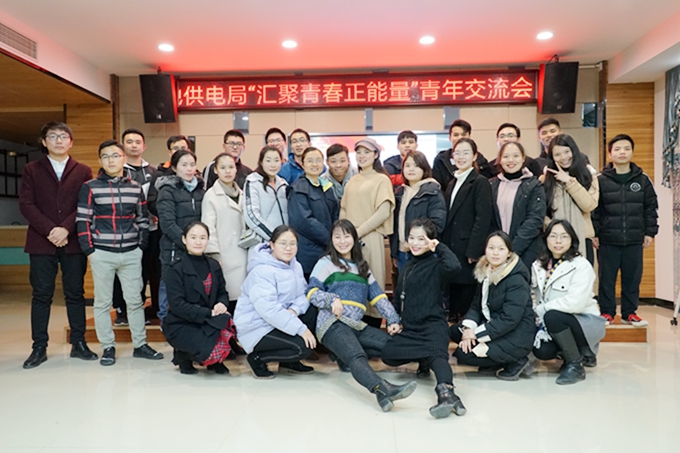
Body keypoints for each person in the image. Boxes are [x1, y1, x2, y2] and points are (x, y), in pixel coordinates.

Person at [307, 219, 417, 412]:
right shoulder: (325, 263)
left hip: (357, 326)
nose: (342, 241)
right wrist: (331, 299)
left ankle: (341, 356)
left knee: (393, 347)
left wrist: (392, 319)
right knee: (356, 356)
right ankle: (382, 389)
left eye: (346, 236)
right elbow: (311, 292)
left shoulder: (362, 267)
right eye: (337, 237)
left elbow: (378, 297)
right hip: (332, 323)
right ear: (331, 240)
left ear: (354, 239)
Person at [77, 140, 163, 365]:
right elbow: (83, 220)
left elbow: (142, 219)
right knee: (103, 303)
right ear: (100, 160)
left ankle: (140, 345)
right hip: (102, 253)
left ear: (123, 159)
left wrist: (141, 245)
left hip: (131, 252)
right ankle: (108, 347)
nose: (111, 160)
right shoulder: (90, 187)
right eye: (106, 156)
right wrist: (90, 250)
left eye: (115, 155)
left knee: (135, 301)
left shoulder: (134, 187)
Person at [19, 121, 97, 368]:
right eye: (53, 136)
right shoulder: (32, 169)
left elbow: (85, 204)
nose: (59, 141)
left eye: (63, 136)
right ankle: (39, 347)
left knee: (75, 293)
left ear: (71, 142)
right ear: (44, 142)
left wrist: (66, 228)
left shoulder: (83, 170)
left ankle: (79, 343)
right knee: (41, 294)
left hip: (72, 241)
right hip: (41, 242)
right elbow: (26, 204)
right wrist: (50, 230)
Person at [382, 219, 466, 418]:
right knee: (388, 354)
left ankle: (447, 394)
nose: (415, 243)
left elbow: (454, 266)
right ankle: (424, 358)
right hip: (411, 330)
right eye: (412, 238)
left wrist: (439, 246)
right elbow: (398, 297)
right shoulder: (407, 267)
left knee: (438, 357)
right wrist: (394, 321)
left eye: (421, 239)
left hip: (432, 326)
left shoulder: (437, 265)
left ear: (431, 241)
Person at [449, 231, 535, 381]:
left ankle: (517, 360)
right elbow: (476, 306)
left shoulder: (516, 280)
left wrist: (475, 334)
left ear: (509, 253)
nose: (495, 253)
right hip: (494, 327)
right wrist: (468, 329)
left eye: (501, 249)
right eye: (491, 248)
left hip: (515, 336)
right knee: (455, 332)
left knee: (463, 355)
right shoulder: (486, 271)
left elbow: (509, 319)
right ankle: (495, 360)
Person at [592, 134, 658, 327]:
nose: (622, 152)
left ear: (632, 152)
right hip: (607, 240)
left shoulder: (643, 180)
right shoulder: (600, 180)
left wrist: (650, 232)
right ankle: (607, 312)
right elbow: (594, 209)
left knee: (632, 279)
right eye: (618, 149)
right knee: (606, 279)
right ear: (610, 153)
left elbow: (650, 207)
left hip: (634, 239)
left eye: (626, 148)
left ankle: (630, 313)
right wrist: (594, 233)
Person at [234, 225, 317, 379]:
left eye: (292, 244)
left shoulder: (295, 266)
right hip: (257, 327)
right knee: (303, 348)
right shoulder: (261, 271)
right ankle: (257, 359)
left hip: (280, 320)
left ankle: (288, 363)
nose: (288, 248)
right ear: (272, 245)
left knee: (312, 312)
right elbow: (270, 311)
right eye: (283, 243)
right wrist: (301, 329)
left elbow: (303, 295)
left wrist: (294, 310)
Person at [532, 220, 606, 385]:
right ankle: (572, 354)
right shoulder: (538, 265)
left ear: (572, 240)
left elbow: (575, 304)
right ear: (546, 239)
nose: (558, 241)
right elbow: (533, 295)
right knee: (542, 351)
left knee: (553, 316)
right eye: (553, 236)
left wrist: (541, 309)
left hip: (584, 322)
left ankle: (575, 365)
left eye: (564, 237)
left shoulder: (581, 265)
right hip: (552, 322)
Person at [164, 221, 237, 375]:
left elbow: (223, 293)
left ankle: (215, 361)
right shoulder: (175, 268)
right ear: (184, 239)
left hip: (208, 321)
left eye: (203, 238)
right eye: (193, 237)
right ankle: (183, 355)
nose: (198, 242)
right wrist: (209, 313)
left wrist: (221, 304)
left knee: (227, 320)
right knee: (208, 346)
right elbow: (177, 305)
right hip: (182, 323)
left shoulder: (214, 265)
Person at [340, 137, 395, 328]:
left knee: (372, 282)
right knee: (351, 283)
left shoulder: (381, 179)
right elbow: (344, 209)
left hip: (370, 238)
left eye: (367, 152)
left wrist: (358, 231)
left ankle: (373, 332)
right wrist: (344, 234)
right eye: (359, 152)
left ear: (376, 155)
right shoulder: (352, 181)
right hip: (349, 241)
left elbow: (383, 212)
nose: (362, 156)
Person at [112, 128, 160, 326]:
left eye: (137, 142)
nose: (133, 145)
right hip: (125, 232)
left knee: (146, 271)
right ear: (123, 145)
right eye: (129, 142)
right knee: (124, 272)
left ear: (144, 146)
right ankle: (121, 310)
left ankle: (140, 309)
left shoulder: (153, 171)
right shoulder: (116, 169)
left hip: (150, 230)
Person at [442, 138, 493, 322]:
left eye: (466, 153)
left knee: (466, 296)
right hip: (452, 246)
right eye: (457, 153)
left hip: (467, 249)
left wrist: (474, 250)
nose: (461, 157)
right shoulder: (452, 182)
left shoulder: (480, 182)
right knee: (454, 293)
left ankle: (465, 331)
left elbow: (483, 219)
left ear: (474, 156)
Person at [156, 150, 205, 323]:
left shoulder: (201, 190)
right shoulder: (167, 190)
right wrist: (188, 243)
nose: (189, 169)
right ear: (175, 168)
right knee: (169, 287)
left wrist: (198, 243)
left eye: (192, 164)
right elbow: (167, 224)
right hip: (173, 249)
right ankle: (165, 322)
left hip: (196, 249)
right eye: (184, 165)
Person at [201, 153, 248, 315]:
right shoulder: (211, 196)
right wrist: (215, 255)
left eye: (231, 167)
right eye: (222, 167)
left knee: (244, 300)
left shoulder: (242, 193)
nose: (227, 171)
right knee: (228, 299)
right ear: (215, 170)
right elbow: (209, 228)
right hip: (224, 256)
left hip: (243, 253)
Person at [540, 134, 599, 259]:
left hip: (583, 238)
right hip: (556, 242)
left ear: (574, 151)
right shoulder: (545, 180)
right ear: (552, 157)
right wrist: (553, 229)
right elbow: (541, 211)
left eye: (567, 152)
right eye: (557, 154)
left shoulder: (588, 175)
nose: (563, 157)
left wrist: (569, 181)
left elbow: (589, 205)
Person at [489, 142, 546, 268]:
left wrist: (512, 250)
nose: (511, 160)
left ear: (523, 158)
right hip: (496, 253)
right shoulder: (491, 185)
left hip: (526, 251)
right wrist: (499, 249)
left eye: (515, 156)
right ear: (500, 160)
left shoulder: (534, 185)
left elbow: (535, 220)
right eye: (506, 156)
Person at [287, 147, 339, 277]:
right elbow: (304, 221)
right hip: (308, 252)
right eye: (310, 161)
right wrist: (329, 240)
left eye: (318, 160)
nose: (314, 164)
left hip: (327, 251)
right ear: (303, 164)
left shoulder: (327, 187)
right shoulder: (298, 188)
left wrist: (336, 238)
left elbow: (335, 214)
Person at [390, 150, 446, 271]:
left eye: (416, 166)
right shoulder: (400, 192)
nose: (411, 169)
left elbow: (437, 224)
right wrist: (394, 253)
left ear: (424, 169)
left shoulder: (432, 191)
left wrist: (415, 243)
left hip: (423, 253)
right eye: (407, 165)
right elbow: (395, 225)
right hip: (401, 252)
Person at [243, 146, 288, 247]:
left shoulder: (283, 184)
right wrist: (274, 237)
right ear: (261, 162)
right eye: (268, 160)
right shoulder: (253, 181)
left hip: (283, 244)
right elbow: (251, 215)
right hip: (263, 244)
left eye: (276, 160)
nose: (273, 165)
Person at [433, 119, 492, 188]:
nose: (460, 138)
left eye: (463, 134)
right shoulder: (441, 160)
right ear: (450, 138)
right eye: (456, 135)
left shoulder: (481, 161)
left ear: (469, 137)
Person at [147, 135, 193, 216]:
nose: (179, 152)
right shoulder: (160, 175)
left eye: (183, 148)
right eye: (176, 148)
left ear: (188, 150)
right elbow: (152, 203)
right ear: (169, 152)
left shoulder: (194, 175)